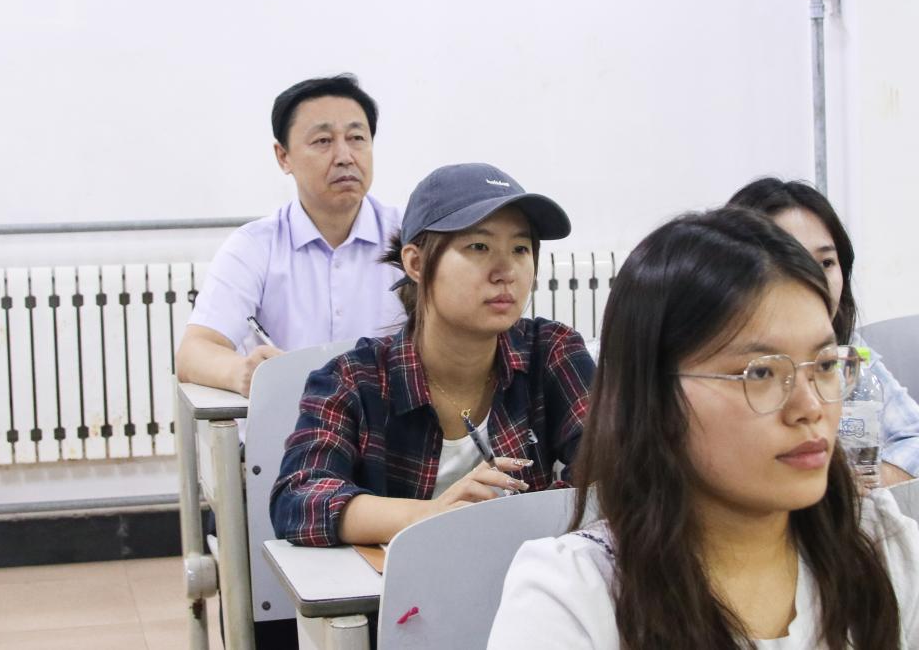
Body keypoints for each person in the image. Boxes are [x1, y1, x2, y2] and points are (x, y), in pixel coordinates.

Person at [488, 208, 918, 648]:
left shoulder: (880, 544)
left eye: (824, 365)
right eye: (761, 373)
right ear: (654, 396)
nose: (810, 408)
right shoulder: (574, 597)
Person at [270, 163, 596, 547]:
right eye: (479, 247)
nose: (506, 271)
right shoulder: (354, 379)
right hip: (399, 585)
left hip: (524, 578)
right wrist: (433, 515)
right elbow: (299, 499)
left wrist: (513, 521)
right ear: (416, 263)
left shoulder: (551, 350)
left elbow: (614, 468)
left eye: (520, 249)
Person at [176, 74, 403, 395]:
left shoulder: (409, 237)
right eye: (323, 141)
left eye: (356, 138)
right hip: (288, 423)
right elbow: (194, 352)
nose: (344, 156)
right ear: (284, 157)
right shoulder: (255, 246)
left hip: (387, 422)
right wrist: (244, 372)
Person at [729, 178, 918, 486]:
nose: (815, 280)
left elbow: (914, 436)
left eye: (826, 262)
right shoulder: (727, 366)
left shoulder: (851, 352)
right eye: (790, 262)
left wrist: (865, 480)